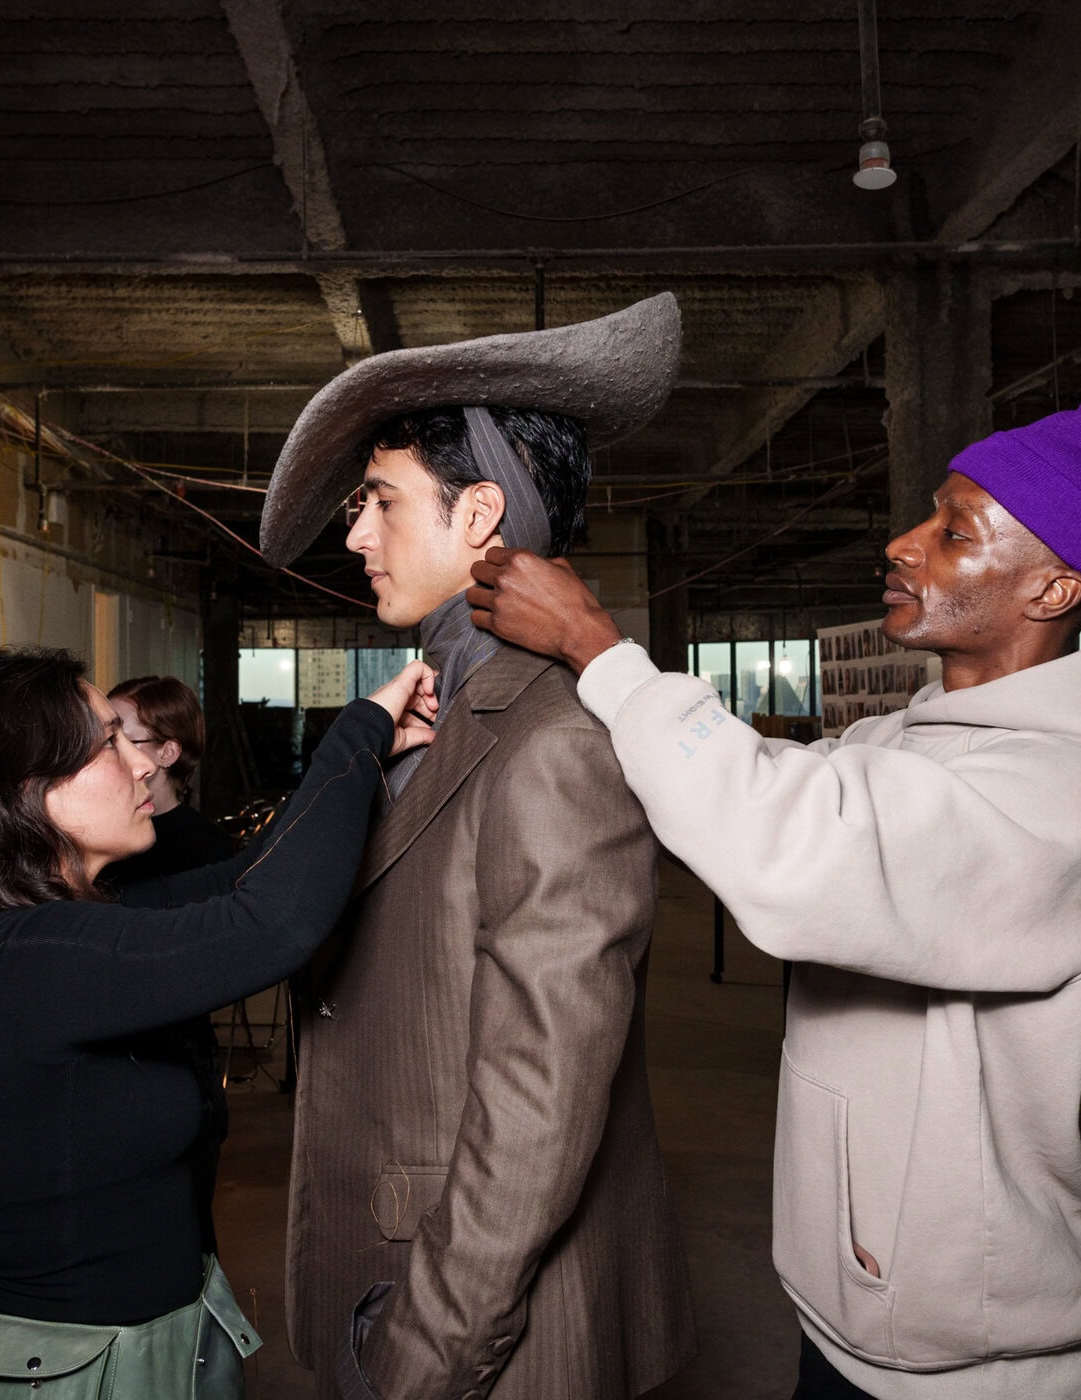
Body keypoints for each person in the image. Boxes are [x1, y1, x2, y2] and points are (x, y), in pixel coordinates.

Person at [470, 378, 1081, 1400]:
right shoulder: (919, 734)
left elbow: (794, 843)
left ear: (1051, 589)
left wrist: (600, 647)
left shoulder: (1066, 788)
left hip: (957, 1358)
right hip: (866, 1306)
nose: (903, 543)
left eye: (954, 531)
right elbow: (772, 787)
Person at [255, 294, 696, 1399]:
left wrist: (422, 1355)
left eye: (381, 502)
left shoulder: (553, 736)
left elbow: (541, 1096)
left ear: (482, 514)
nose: (354, 535)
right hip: (395, 1255)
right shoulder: (438, 702)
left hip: (474, 1315)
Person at [0, 646, 436, 1400]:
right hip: (85, 1374)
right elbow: (271, 925)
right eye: (108, 743)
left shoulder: (34, 931)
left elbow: (243, 881)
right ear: (29, 791)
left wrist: (359, 770)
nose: (143, 765)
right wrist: (359, 728)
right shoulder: (28, 958)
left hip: (130, 1347)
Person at [98, 674, 240, 1262]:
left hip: (176, 1066)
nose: (110, 752)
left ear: (165, 754)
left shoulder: (201, 848)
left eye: (119, 736)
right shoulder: (98, 837)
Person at [97, 675, 234, 888]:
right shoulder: (95, 831)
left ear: (168, 753)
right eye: (105, 740)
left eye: (122, 740)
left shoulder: (207, 848)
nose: (101, 753)